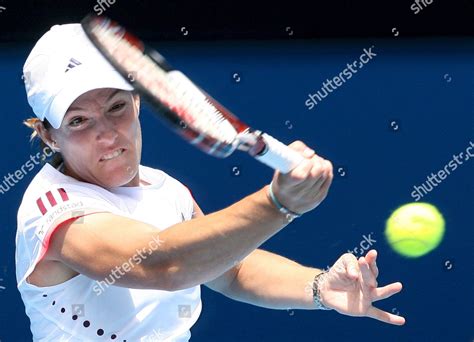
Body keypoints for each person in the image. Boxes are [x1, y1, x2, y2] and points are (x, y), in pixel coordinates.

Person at [16, 23, 405, 341]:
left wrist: (319, 288)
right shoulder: (53, 212)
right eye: (78, 121)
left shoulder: (164, 188)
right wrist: (278, 205)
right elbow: (166, 264)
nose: (107, 135)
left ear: (138, 102)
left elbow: (230, 268)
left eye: (116, 107)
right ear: (49, 135)